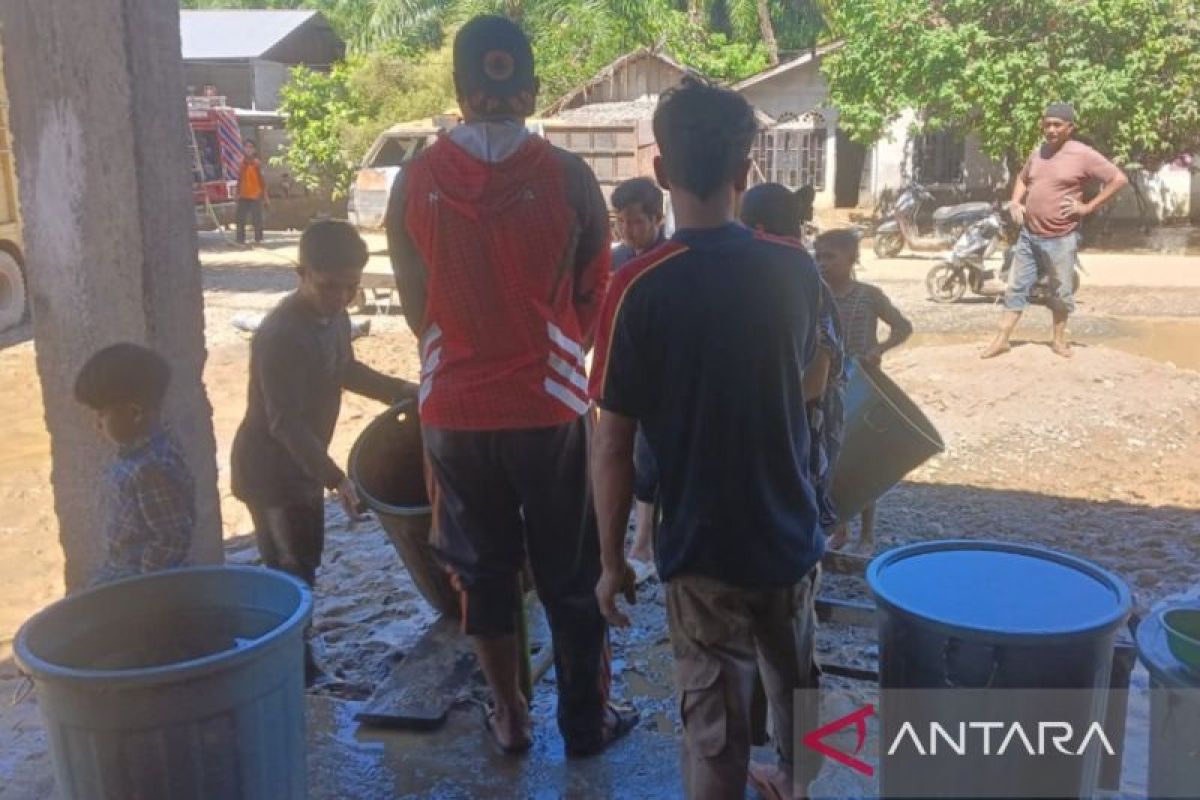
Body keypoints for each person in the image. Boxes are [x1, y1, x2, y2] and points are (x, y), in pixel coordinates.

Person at [386, 16, 635, 758]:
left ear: (461, 92)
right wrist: (554, 348)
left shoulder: (415, 179)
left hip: (453, 411)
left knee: (482, 572)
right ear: (529, 90)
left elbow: (412, 300)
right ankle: (585, 726)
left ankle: (509, 715)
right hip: (548, 407)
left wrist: (463, 348)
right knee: (572, 572)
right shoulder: (568, 176)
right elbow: (595, 285)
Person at [591, 79, 825, 800]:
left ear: (661, 176)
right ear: (746, 172)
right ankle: (794, 782)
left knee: (715, 733)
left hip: (701, 553)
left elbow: (611, 444)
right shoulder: (795, 267)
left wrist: (610, 563)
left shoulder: (637, 287)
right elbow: (816, 380)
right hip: (789, 537)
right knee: (799, 694)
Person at [231, 220, 416, 594]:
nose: (341, 297)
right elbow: (284, 422)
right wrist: (336, 478)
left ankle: (300, 646)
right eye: (329, 286)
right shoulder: (281, 336)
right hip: (270, 471)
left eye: (351, 286)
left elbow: (344, 369)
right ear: (302, 274)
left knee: (305, 558)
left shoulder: (336, 315)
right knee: (289, 571)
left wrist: (403, 390)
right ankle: (295, 652)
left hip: (304, 464)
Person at [981, 103, 1127, 359]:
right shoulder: (1038, 153)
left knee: (1060, 292)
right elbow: (1023, 178)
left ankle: (1059, 341)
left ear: (1070, 128)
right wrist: (1015, 201)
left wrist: (1087, 207)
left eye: (1057, 125)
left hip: (1060, 237)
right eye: (1047, 124)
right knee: (1016, 287)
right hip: (1029, 235)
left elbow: (1118, 179)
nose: (1051, 129)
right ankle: (1001, 340)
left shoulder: (1083, 154)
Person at [741, 182, 845, 533]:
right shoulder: (765, 280)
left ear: (756, 231)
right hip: (776, 434)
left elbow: (815, 381)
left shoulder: (806, 284)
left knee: (792, 526)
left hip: (794, 433)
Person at [818, 229, 912, 551]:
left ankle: (867, 535)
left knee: (865, 458)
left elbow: (903, 327)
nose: (822, 263)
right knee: (833, 457)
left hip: (863, 385)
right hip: (827, 386)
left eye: (830, 256)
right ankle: (840, 527)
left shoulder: (869, 295)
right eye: (818, 256)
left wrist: (880, 349)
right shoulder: (817, 294)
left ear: (852, 259)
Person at [74, 343, 195, 587]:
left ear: (134, 412)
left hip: (141, 583)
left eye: (101, 414)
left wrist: (143, 590)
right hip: (128, 574)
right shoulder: (140, 454)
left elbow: (171, 538)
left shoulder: (150, 469)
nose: (97, 424)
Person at [610, 177, 668, 577]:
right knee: (625, 454)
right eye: (621, 222)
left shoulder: (673, 259)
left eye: (636, 222)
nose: (628, 231)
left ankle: (644, 543)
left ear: (658, 218)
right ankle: (643, 540)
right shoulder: (615, 260)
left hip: (663, 376)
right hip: (622, 371)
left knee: (650, 457)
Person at [236, 139, 269, 245]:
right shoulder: (241, 163)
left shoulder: (257, 164)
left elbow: (262, 181)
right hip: (243, 195)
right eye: (246, 147)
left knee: (257, 219)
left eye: (251, 147)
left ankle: (258, 239)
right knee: (240, 219)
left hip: (255, 195)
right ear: (243, 149)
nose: (248, 149)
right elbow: (239, 180)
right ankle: (240, 240)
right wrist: (237, 193)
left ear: (254, 150)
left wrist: (265, 196)